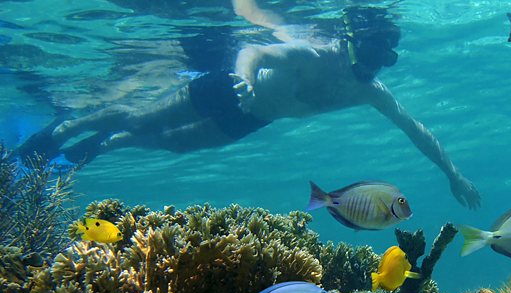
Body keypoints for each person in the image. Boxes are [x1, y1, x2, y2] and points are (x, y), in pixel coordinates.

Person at [15, 5, 481, 210]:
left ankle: (102, 147)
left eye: (389, 60)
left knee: (173, 146)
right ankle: (61, 131)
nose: (380, 66)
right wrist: (241, 79)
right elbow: (255, 53)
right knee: (140, 116)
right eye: (378, 53)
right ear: (354, 39)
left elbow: (415, 129)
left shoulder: (370, 91)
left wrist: (453, 174)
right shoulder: (315, 55)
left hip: (256, 118)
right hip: (230, 88)